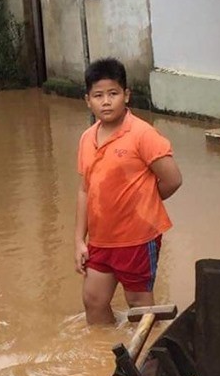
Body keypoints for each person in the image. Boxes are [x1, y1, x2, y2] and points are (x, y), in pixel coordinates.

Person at [74, 57, 182, 325]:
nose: (106, 101)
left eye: (113, 93)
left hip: (137, 240)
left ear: (126, 95)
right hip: (100, 240)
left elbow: (172, 179)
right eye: (98, 95)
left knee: (140, 306)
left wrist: (142, 204)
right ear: (88, 100)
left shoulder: (143, 135)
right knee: (94, 300)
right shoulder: (87, 138)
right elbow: (85, 191)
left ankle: (149, 363)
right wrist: (79, 240)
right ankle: (106, 357)